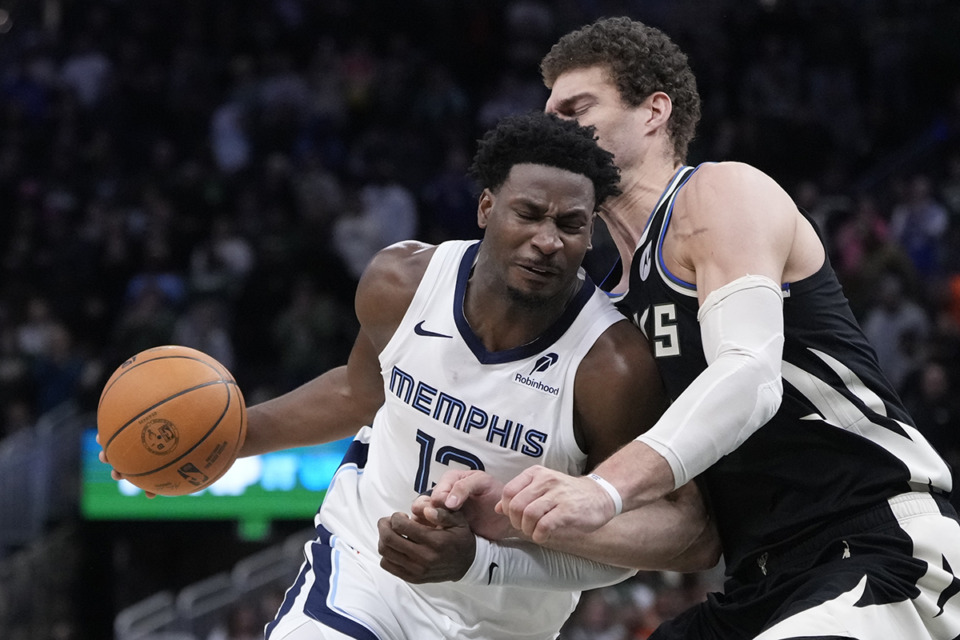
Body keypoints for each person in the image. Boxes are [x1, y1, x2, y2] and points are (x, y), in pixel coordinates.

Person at [428, 16, 960, 640]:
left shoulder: (720, 195)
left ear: (654, 111)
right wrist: (517, 518)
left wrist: (601, 489)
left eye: (577, 107)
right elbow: (689, 533)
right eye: (549, 113)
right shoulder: (605, 311)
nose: (556, 128)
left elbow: (749, 376)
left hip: (877, 541)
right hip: (756, 582)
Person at [103, 111, 719, 639]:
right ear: (486, 207)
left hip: (505, 618)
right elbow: (359, 392)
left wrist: (480, 560)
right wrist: (219, 442)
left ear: (591, 235)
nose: (547, 240)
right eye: (528, 214)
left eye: (570, 224)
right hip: (363, 568)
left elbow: (648, 543)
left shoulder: (611, 366)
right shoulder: (401, 282)